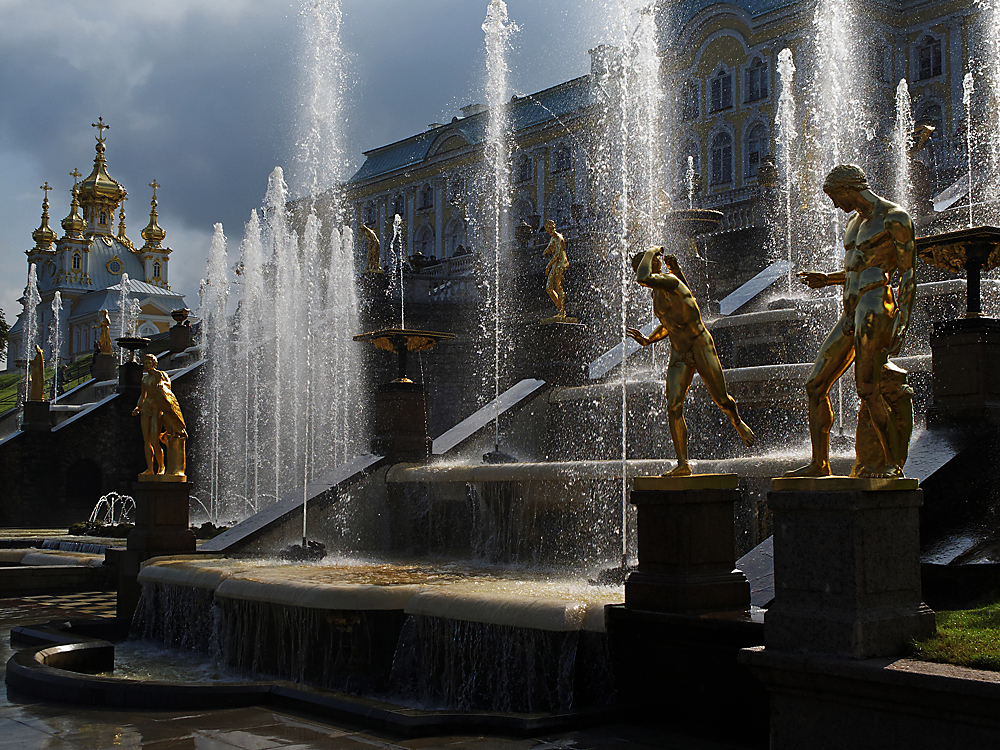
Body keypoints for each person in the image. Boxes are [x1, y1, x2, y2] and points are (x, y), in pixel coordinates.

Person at [784, 164, 916, 478]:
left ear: (848, 189)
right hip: (850, 310)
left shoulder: (894, 217)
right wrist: (828, 279)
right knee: (816, 385)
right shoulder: (854, 222)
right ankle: (820, 464)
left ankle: (889, 463)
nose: (834, 205)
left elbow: (908, 274)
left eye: (834, 197)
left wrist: (903, 320)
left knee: (867, 389)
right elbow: (858, 267)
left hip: (875, 306)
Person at [628, 248, 755, 476]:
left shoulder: (669, 280)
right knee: (673, 406)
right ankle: (683, 464)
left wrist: (651, 252)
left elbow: (643, 278)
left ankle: (737, 422)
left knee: (722, 400)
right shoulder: (656, 292)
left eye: (646, 263)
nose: (643, 269)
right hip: (679, 352)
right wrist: (648, 340)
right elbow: (669, 323)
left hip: (700, 345)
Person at [133, 353, 187, 476]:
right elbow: (143, 395)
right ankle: (150, 468)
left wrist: (162, 385)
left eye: (149, 363)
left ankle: (161, 467)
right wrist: (138, 407)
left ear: (154, 364)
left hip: (156, 409)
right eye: (145, 363)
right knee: (146, 441)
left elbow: (168, 386)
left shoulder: (160, 375)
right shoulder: (144, 379)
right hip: (146, 409)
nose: (147, 366)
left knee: (154, 440)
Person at [542, 219, 569, 318]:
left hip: (561, 263)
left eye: (547, 229)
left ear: (550, 227)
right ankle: (561, 309)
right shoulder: (552, 238)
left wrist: (548, 266)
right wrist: (546, 251)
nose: (546, 231)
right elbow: (549, 247)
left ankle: (562, 312)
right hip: (556, 264)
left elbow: (557, 254)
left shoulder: (558, 237)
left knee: (558, 286)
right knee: (549, 288)